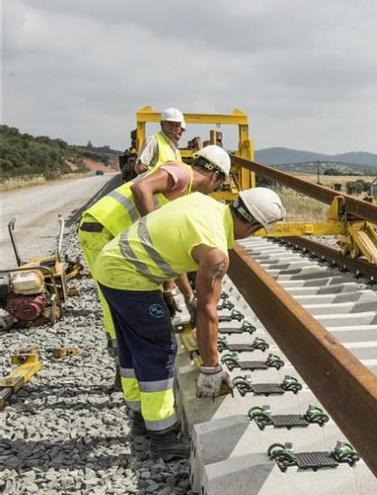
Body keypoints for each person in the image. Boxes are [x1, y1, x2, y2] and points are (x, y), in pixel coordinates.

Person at [91, 187, 286, 459]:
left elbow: (174, 253)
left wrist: (184, 294)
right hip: (129, 277)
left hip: (109, 264)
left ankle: (140, 417)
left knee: (131, 344)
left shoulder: (202, 203)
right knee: (159, 348)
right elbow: (208, 309)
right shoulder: (216, 253)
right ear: (254, 226)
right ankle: (163, 436)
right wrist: (210, 366)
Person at [78, 145, 232, 358]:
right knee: (115, 300)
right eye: (218, 186)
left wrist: (182, 294)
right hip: (102, 228)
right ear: (215, 176)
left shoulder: (183, 191)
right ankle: (123, 360)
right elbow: (141, 188)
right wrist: (152, 230)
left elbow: (167, 255)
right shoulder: (181, 173)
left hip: (106, 231)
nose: (212, 192)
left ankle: (126, 358)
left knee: (121, 299)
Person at [133, 107, 187, 175]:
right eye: (170, 124)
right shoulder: (154, 140)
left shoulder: (175, 149)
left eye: (176, 126)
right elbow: (140, 167)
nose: (173, 128)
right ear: (162, 124)